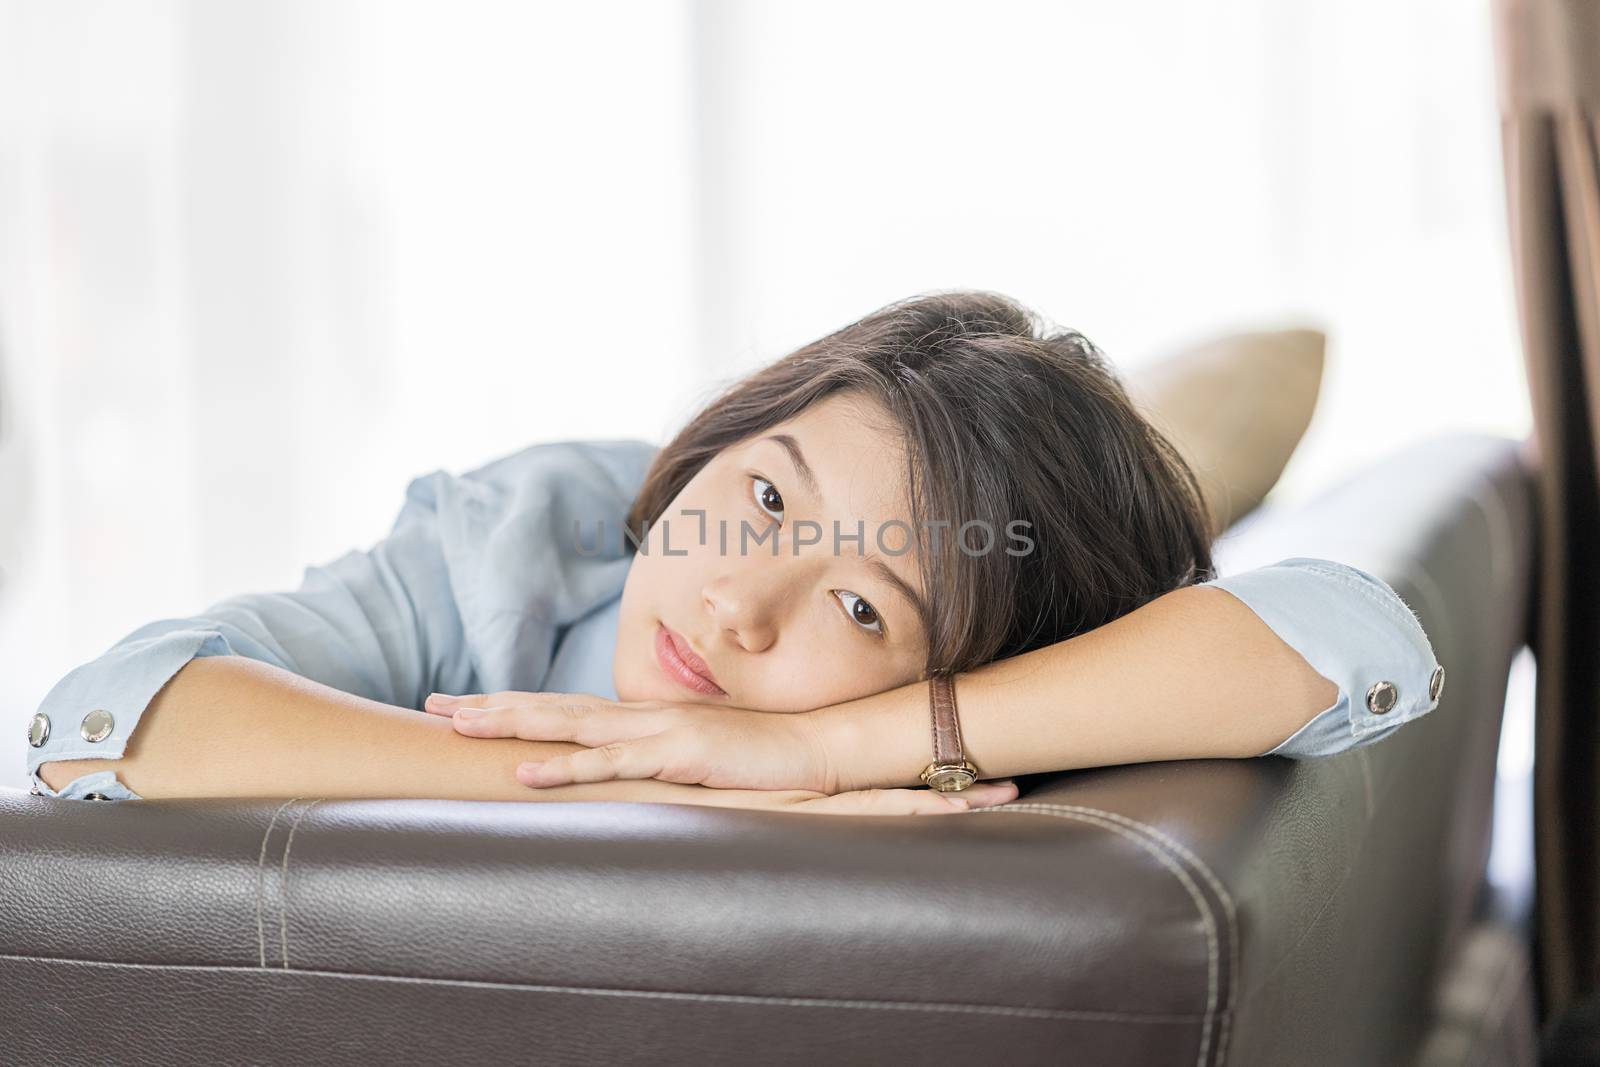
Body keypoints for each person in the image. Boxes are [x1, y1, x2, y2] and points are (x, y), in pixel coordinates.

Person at [24, 291, 1443, 814]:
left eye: (859, 601)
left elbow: (1352, 638)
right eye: (765, 498)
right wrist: (604, 773)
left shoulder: (962, 727)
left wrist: (830, 755)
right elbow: (108, 720)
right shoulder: (541, 534)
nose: (733, 598)